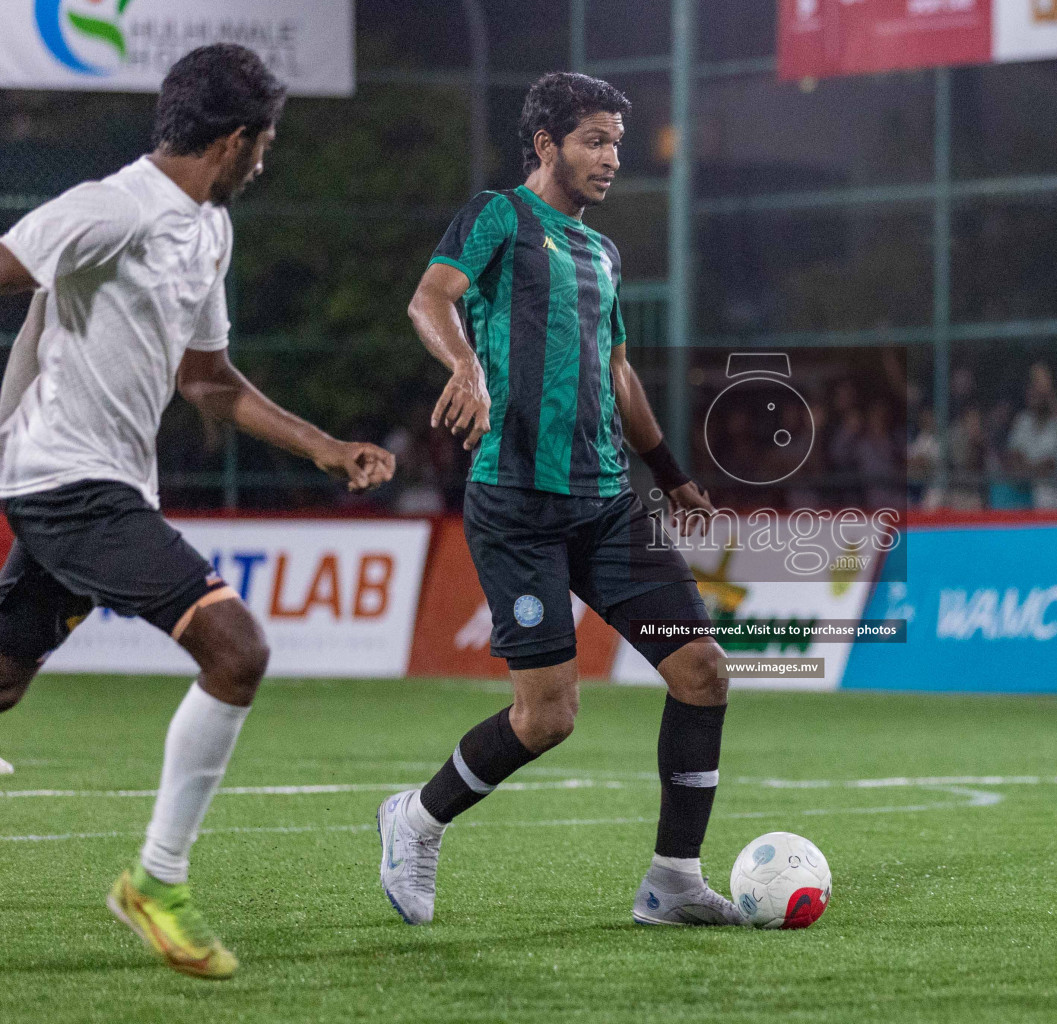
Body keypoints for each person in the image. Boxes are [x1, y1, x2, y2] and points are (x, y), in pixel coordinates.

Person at [0, 45, 395, 979]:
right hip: (64, 481)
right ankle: (157, 880)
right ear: (235, 140)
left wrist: (322, 447)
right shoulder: (112, 208)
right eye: (264, 144)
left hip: (110, 485)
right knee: (237, 650)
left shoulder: (207, 231)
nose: (265, 161)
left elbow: (209, 384)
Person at [382, 72, 738, 928]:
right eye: (595, 140)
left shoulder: (603, 253)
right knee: (547, 718)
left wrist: (674, 473)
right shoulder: (498, 216)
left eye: (617, 141)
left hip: (608, 501)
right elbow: (430, 297)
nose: (613, 157)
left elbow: (617, 373)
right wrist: (464, 364)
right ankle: (417, 819)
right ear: (547, 145)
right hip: (516, 502)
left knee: (703, 674)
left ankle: (673, 881)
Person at [1005, 363, 1057, 509]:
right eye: (1032, 390)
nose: (1035, 395)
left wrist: (1048, 389)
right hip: (1032, 495)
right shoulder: (1023, 420)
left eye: (1040, 391)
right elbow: (1013, 458)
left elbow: (1050, 465)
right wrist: (1033, 470)